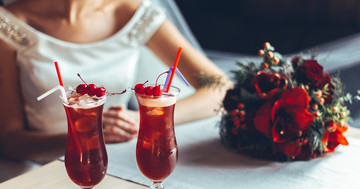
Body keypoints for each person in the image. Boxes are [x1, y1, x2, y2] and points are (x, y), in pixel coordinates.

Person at [0, 0, 233, 163]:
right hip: (41, 168)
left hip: (118, 161)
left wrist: (143, 119)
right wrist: (85, 136)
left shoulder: (132, 13)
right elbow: (11, 141)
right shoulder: (9, 24)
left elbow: (221, 88)